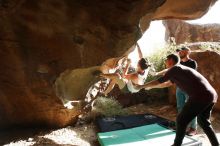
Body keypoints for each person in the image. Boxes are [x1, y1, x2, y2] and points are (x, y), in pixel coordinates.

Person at [134, 54, 219, 146]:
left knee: (181, 120)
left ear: (170, 60)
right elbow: (166, 84)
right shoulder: (179, 70)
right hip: (210, 95)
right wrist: (150, 87)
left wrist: (142, 86)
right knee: (204, 123)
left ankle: (176, 144)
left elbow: (160, 80)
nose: (165, 63)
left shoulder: (175, 68)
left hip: (200, 96)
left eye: (166, 60)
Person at [176, 46, 198, 136]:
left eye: (181, 51)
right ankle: (182, 126)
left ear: (187, 52)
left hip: (190, 89)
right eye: (179, 52)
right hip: (179, 88)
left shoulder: (192, 63)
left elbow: (190, 76)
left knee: (191, 108)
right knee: (180, 107)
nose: (180, 52)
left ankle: (193, 128)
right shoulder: (179, 63)